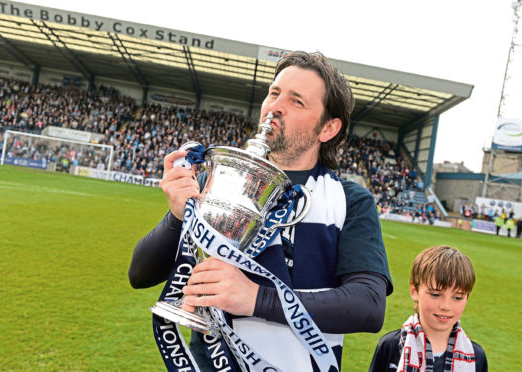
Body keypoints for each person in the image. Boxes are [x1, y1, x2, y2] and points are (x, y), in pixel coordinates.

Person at [128, 51, 393, 371]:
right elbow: (140, 274)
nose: (276, 106)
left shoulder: (349, 200)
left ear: (328, 128)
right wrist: (178, 216)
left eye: (297, 101)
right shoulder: (219, 179)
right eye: (274, 93)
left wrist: (255, 298)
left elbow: (368, 305)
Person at [369, 246, 487, 372]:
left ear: (467, 298)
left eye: (457, 298)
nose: (445, 306)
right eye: (435, 295)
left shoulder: (476, 356)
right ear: (414, 291)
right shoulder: (391, 346)